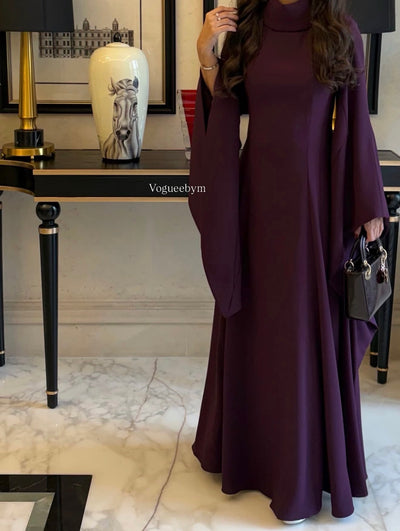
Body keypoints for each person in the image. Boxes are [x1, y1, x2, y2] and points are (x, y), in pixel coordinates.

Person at [188, 0, 389, 525]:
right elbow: (224, 107)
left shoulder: (339, 30)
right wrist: (206, 54)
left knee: (302, 331)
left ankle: (299, 471)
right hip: (254, 204)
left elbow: (357, 121)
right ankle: (250, 454)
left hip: (314, 208)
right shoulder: (248, 29)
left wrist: (368, 202)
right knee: (259, 324)